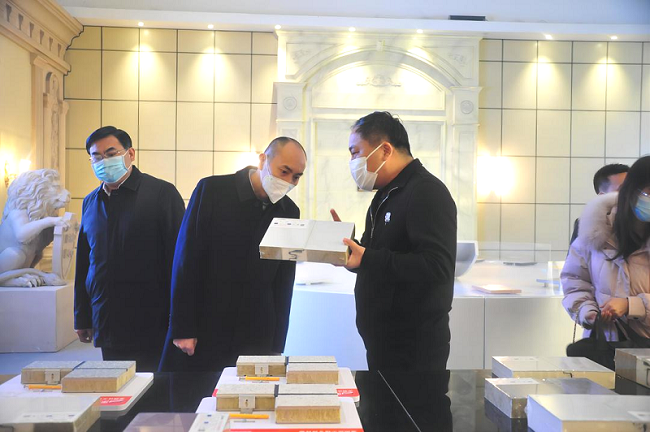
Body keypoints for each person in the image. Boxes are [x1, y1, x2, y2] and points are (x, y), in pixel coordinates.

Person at [159, 137, 307, 372]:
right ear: (263, 160)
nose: (289, 181)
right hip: (207, 322)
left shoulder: (289, 211)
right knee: (195, 390)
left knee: (250, 393)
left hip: (257, 329)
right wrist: (183, 328)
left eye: (296, 176)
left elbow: (283, 280)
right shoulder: (212, 190)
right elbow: (186, 260)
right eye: (284, 171)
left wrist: (277, 342)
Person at [331, 111, 457, 372]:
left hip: (413, 347)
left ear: (385, 150)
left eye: (355, 152)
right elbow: (377, 257)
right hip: (384, 341)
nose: (352, 161)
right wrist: (351, 252)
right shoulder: (385, 195)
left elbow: (437, 266)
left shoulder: (426, 191)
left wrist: (368, 258)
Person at [74, 126, 185, 371]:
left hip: (152, 321)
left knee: (154, 389)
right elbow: (85, 263)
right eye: (96, 156)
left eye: (111, 153)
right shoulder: (91, 202)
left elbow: (180, 261)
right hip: (107, 319)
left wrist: (183, 322)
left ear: (130, 154)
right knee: (116, 387)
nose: (103, 161)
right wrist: (82, 316)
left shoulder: (161, 194)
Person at [562, 156, 650, 341]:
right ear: (631, 190)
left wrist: (632, 305)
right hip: (605, 345)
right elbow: (575, 281)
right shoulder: (594, 228)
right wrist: (586, 310)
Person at [569, 163, 628, 244]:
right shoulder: (587, 225)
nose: (630, 193)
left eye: (633, 188)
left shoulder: (641, 220)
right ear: (602, 197)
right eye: (623, 189)